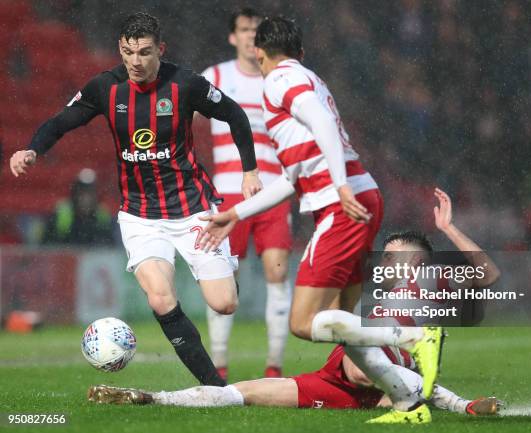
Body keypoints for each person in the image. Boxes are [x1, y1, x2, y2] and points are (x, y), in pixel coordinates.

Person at [195, 16, 442, 424]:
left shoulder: (277, 81)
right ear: (302, 51)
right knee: (348, 331)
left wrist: (340, 186)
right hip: (359, 196)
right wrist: (235, 214)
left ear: (259, 53)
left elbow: (323, 124)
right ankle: (406, 403)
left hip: (342, 204)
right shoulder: (311, 78)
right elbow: (292, 177)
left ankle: (415, 338)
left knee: (304, 321)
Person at [9, 12, 262, 387]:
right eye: (128, 52)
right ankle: (214, 387)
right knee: (160, 299)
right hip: (141, 216)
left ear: (160, 49)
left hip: (192, 208)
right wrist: (32, 149)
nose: (135, 62)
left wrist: (249, 170)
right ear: (120, 50)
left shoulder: (185, 84)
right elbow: (63, 120)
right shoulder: (105, 88)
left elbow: (235, 114)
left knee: (224, 303)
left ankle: (225, 271)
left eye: (144, 52)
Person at [201, 8, 292, 380]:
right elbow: (186, 125)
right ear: (232, 36)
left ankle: (274, 367)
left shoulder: (279, 79)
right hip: (228, 193)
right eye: (244, 29)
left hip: (273, 193)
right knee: (222, 277)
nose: (250, 35)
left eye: (256, 30)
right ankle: (219, 364)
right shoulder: (215, 77)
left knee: (276, 274)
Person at [87, 344, 501, 417]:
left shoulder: (401, 373)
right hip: (327, 387)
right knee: (241, 394)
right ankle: (150, 398)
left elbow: (435, 391)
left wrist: (468, 406)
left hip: (370, 399)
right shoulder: (357, 342)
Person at [372, 188, 501, 327]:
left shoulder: (426, 277)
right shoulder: (391, 297)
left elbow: (489, 274)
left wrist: (448, 228)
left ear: (414, 261)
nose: (381, 265)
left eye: (389, 257)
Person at [43, 168, 114, 245]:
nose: (86, 198)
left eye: (90, 193)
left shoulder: (102, 215)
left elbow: (109, 246)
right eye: (82, 192)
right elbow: (47, 246)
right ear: (75, 194)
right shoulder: (62, 213)